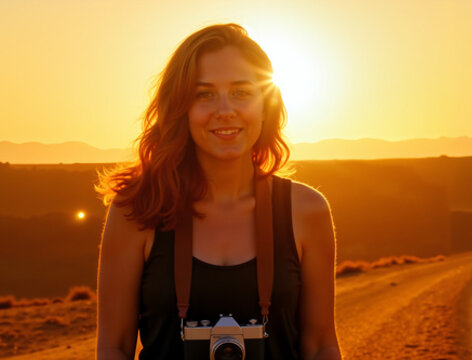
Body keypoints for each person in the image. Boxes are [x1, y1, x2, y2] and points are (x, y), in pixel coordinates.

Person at [95, 23, 342, 360]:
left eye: (242, 92)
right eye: (204, 94)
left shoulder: (306, 211)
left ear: (266, 104)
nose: (225, 110)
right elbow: (113, 347)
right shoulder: (136, 210)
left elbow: (321, 345)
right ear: (179, 107)